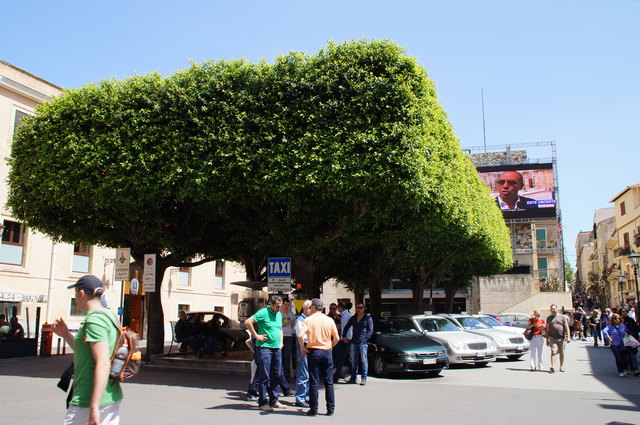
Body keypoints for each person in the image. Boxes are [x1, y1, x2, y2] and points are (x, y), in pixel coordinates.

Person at [53, 275, 123, 425]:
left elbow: (103, 362)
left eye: (75, 293)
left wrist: (94, 406)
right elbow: (87, 352)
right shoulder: (109, 316)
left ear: (81, 293)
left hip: (88, 398)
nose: (75, 298)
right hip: (110, 395)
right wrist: (66, 335)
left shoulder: (94, 320)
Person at [298, 298, 339, 416]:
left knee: (314, 381)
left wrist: (302, 347)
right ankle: (330, 408)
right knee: (329, 381)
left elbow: (300, 335)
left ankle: (314, 408)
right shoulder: (329, 320)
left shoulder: (308, 320)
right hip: (326, 351)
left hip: (314, 351)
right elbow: (337, 338)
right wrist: (330, 346)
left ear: (313, 307)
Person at [244, 296, 285, 412]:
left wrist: (281, 342)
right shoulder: (263, 312)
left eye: (280, 306)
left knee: (276, 374)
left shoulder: (279, 314)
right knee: (264, 376)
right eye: (277, 306)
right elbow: (248, 322)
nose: (279, 308)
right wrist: (256, 335)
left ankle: (274, 400)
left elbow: (280, 329)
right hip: (265, 348)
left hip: (276, 348)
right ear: (271, 304)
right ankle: (262, 402)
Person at [343, 303, 374, 385]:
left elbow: (370, 330)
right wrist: (344, 336)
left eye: (360, 308)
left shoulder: (368, 318)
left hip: (363, 342)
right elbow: (347, 327)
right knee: (354, 361)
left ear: (364, 309)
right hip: (354, 341)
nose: (358, 309)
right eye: (357, 308)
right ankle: (353, 378)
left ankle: (364, 378)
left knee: (364, 360)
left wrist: (366, 338)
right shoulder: (353, 318)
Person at [294, 300, 312, 407]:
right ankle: (300, 398)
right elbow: (301, 336)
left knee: (309, 373)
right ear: (305, 309)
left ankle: (307, 396)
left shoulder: (310, 320)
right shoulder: (300, 320)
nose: (311, 309)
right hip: (304, 348)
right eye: (309, 307)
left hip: (311, 348)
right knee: (303, 373)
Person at [545, 304, 570, 373]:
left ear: (557, 309)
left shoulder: (562, 317)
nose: (553, 310)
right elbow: (547, 329)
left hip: (561, 338)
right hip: (552, 337)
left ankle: (561, 366)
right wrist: (547, 339)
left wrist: (568, 337)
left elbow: (566, 327)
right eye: (551, 309)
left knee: (562, 353)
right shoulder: (549, 318)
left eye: (554, 309)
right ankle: (553, 366)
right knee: (553, 351)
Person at [332, 301, 353, 382]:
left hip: (346, 339)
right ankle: (339, 374)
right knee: (344, 357)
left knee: (343, 357)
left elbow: (348, 327)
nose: (337, 309)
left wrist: (347, 337)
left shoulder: (346, 315)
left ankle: (338, 375)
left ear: (341, 307)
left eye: (338, 307)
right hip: (344, 338)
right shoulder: (344, 315)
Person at [280, 299, 296, 382]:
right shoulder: (279, 313)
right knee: (279, 355)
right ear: (282, 305)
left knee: (287, 355)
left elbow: (293, 324)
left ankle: (286, 375)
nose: (287, 306)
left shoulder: (291, 314)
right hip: (280, 336)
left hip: (288, 336)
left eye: (288, 305)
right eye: (285, 305)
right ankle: (280, 374)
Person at [621, 308, 639, 375]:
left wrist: (637, 338)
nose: (624, 313)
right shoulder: (620, 320)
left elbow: (636, 329)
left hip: (632, 339)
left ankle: (635, 369)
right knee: (626, 355)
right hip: (624, 340)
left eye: (625, 311)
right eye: (623, 311)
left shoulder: (631, 320)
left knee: (633, 354)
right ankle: (627, 368)